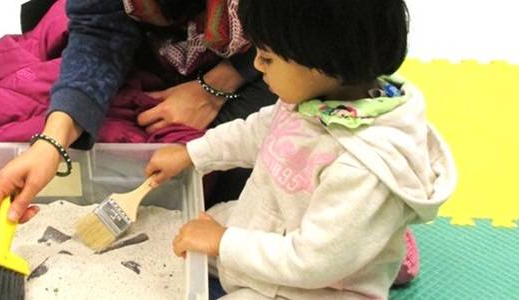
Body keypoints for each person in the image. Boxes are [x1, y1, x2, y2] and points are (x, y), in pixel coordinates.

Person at [144, 0, 457, 298]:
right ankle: (366, 235)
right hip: (273, 225)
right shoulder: (312, 96)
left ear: (321, 64)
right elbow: (259, 131)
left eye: (267, 58)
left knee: (205, 242)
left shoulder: (361, 167)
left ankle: (369, 237)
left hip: (318, 285)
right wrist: (193, 154)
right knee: (188, 235)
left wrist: (224, 242)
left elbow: (312, 262)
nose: (255, 65)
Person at [0, 0, 277, 236]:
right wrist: (52, 142)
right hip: (167, 41)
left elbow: (303, 43)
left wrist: (213, 88)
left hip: (272, 50)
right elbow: (99, 33)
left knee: (252, 164)